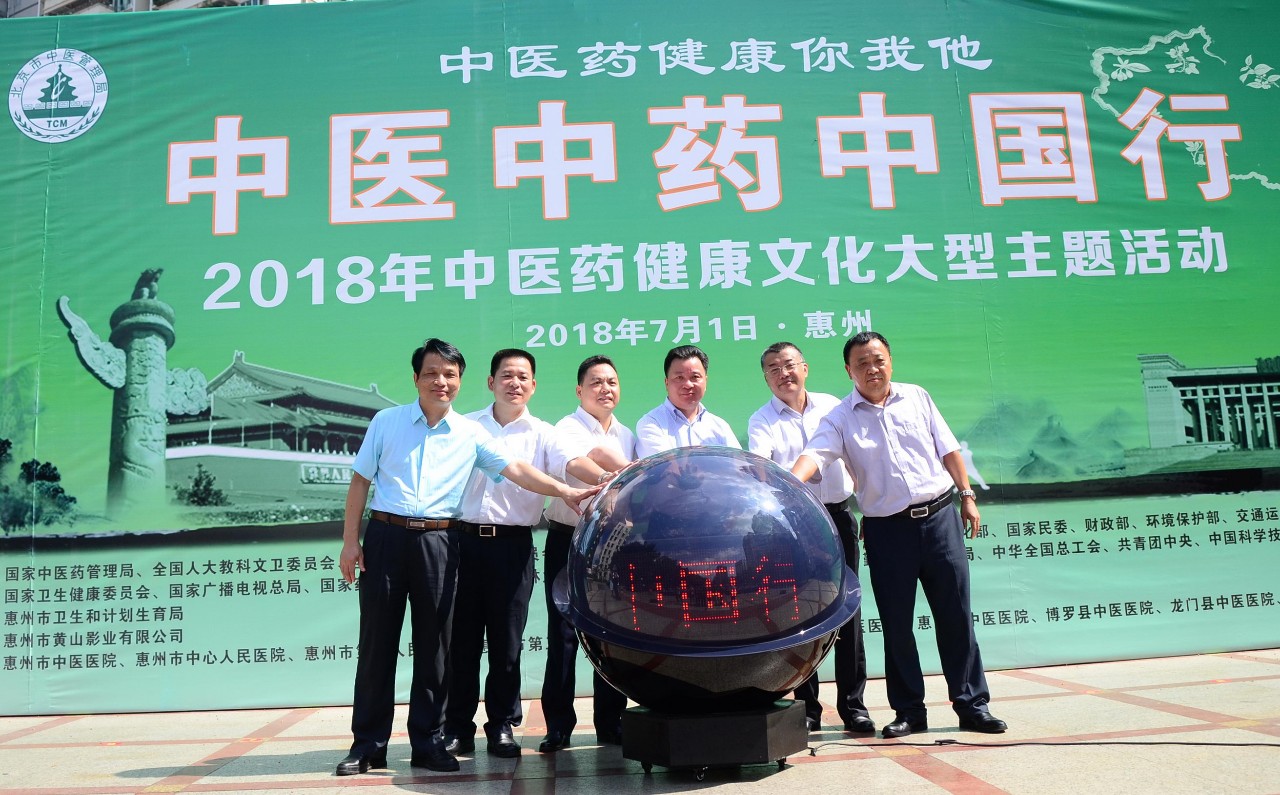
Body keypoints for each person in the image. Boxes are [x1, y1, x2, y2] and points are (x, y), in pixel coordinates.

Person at [336, 338, 597, 777]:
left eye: (450, 375)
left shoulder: (470, 433)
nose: (441, 381)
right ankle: (367, 746)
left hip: (440, 541)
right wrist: (350, 541)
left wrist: (565, 490)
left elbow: (517, 470)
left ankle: (427, 743)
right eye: (432, 373)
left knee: (437, 649)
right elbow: (361, 481)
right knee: (376, 645)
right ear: (416, 378)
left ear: (460, 381)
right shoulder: (386, 421)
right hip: (385, 536)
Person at [791, 331, 1008, 740]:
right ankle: (909, 711)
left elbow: (948, 449)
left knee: (956, 616)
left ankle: (972, 705)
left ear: (890, 361)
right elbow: (815, 455)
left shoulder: (917, 397)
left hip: (940, 519)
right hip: (887, 531)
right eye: (862, 363)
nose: (872, 369)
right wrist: (790, 483)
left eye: (879, 360)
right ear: (848, 370)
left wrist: (967, 495)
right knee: (896, 624)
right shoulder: (839, 418)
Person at [746, 342, 874, 735]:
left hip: (838, 516)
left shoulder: (833, 407)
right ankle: (807, 708)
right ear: (765, 378)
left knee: (848, 612)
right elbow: (763, 469)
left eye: (789, 365)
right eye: (773, 369)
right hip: (793, 528)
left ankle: (854, 706)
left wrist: (868, 509)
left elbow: (856, 459)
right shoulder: (761, 420)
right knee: (798, 614)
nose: (783, 374)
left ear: (805, 368)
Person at [443, 349, 565, 759]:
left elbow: (570, 463)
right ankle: (457, 728)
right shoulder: (463, 425)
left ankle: (501, 726)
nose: (515, 383)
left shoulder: (544, 434)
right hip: (461, 542)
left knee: (506, 642)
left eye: (523, 377)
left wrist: (600, 479)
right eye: (507, 375)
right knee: (460, 641)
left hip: (513, 546)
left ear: (534, 385)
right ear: (490, 382)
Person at [538, 354, 634, 752]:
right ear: (580, 390)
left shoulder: (627, 433)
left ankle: (611, 722)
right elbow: (580, 462)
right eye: (596, 382)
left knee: (611, 631)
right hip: (568, 538)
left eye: (611, 382)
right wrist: (618, 479)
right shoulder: (567, 427)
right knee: (563, 633)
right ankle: (558, 726)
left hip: (612, 543)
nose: (605, 389)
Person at [635, 345, 741, 457]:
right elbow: (668, 466)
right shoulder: (652, 423)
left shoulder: (720, 426)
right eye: (679, 378)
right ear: (666, 383)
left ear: (706, 381)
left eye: (695, 377)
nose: (688, 385)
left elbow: (739, 464)